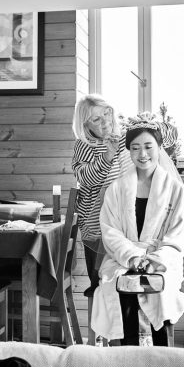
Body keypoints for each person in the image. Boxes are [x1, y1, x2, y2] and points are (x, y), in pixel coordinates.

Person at [89, 116, 184, 345]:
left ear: (159, 148)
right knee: (120, 287)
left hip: (161, 260)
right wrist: (133, 258)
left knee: (160, 288)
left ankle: (163, 355)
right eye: (135, 148)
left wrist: (154, 260)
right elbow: (111, 232)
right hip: (123, 259)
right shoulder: (116, 189)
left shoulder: (175, 189)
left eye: (148, 147)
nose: (142, 154)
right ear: (129, 151)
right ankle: (127, 356)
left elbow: (177, 236)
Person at [71, 94, 130, 300]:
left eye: (107, 113)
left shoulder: (123, 137)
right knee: (100, 280)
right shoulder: (84, 145)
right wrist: (107, 156)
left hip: (122, 219)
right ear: (85, 125)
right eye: (97, 119)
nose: (106, 121)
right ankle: (102, 319)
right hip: (95, 224)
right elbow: (86, 178)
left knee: (123, 274)